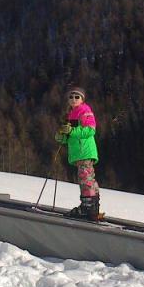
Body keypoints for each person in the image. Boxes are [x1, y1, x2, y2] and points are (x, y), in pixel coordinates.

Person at [55, 86, 102, 220]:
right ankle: (92, 206)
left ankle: (88, 207)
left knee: (85, 178)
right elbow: (70, 136)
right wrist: (61, 135)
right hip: (79, 152)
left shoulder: (84, 111)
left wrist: (71, 132)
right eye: (71, 96)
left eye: (77, 97)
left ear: (82, 99)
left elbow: (90, 130)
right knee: (88, 177)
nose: (73, 99)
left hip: (84, 151)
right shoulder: (71, 114)